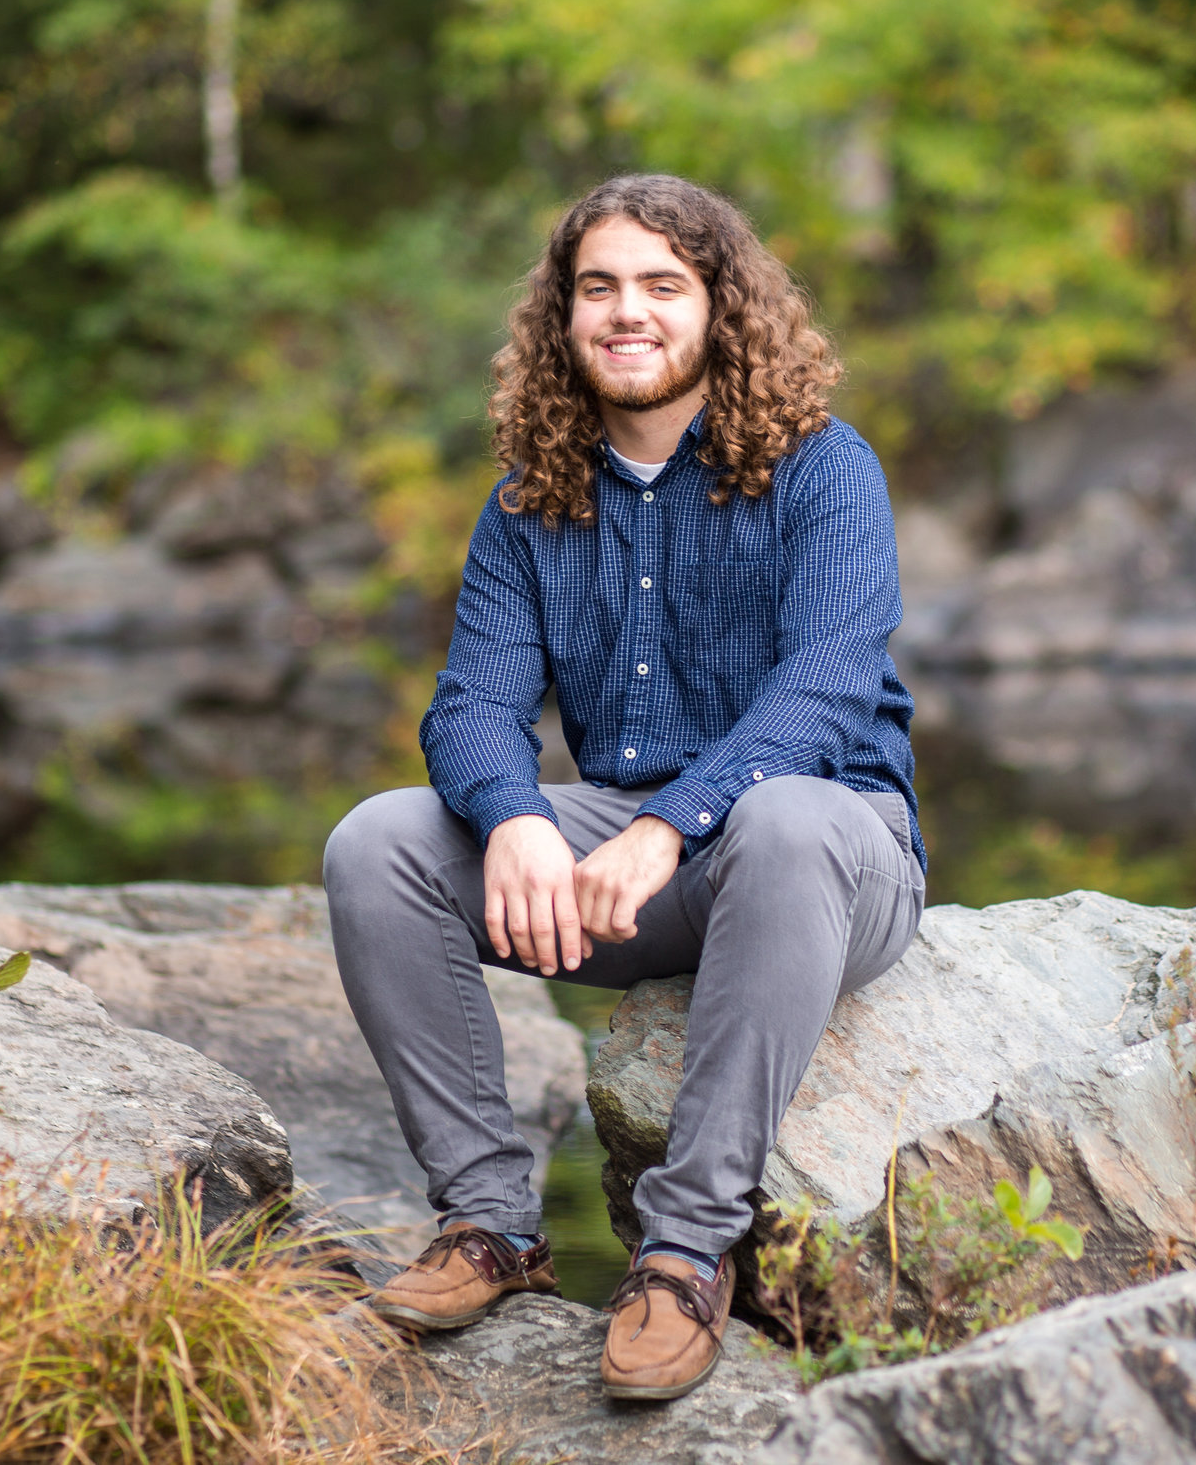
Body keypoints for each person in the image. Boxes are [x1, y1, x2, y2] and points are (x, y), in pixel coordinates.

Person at [322, 173, 924, 1401]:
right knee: (377, 840)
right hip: (635, 874)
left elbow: (823, 691)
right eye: (598, 287)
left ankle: (686, 1249)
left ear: (720, 306)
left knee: (786, 814)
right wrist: (519, 819)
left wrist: (664, 822)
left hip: (829, 849)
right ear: (563, 317)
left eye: (662, 284)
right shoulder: (532, 496)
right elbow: (473, 708)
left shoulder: (823, 468)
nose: (627, 311)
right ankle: (491, 1221)